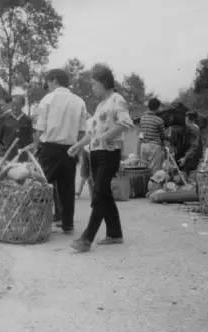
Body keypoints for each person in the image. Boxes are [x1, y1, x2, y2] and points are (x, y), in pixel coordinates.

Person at [68, 64, 134, 252]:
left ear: (104, 83)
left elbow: (125, 123)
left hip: (109, 154)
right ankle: (115, 234)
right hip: (96, 153)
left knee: (98, 194)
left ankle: (86, 238)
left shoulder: (117, 100)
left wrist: (107, 136)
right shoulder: (99, 106)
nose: (92, 88)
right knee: (104, 194)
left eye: (94, 84)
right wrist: (77, 146)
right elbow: (91, 134)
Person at [34, 68, 88, 234]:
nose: (47, 85)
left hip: (49, 149)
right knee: (67, 187)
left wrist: (36, 146)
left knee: (42, 186)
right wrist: (76, 147)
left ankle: (39, 222)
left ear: (54, 80)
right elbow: (81, 131)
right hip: (70, 149)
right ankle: (67, 224)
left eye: (48, 82)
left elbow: (40, 129)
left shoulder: (47, 99)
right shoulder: (79, 101)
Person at [0, 95, 33, 161]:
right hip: (6, 155)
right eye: (13, 104)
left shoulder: (27, 120)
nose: (15, 107)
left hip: (22, 156)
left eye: (18, 105)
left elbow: (30, 140)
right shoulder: (3, 118)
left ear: (23, 105)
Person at [139, 98, 165, 173]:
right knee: (155, 171)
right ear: (157, 108)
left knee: (143, 169)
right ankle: (153, 184)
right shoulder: (159, 120)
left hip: (143, 146)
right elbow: (163, 136)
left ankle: (144, 184)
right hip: (155, 147)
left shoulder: (142, 118)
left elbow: (141, 134)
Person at [179, 110, 203, 175]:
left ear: (189, 119)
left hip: (192, 156)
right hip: (192, 154)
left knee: (185, 175)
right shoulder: (194, 127)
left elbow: (194, 146)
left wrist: (185, 158)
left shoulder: (193, 128)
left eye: (186, 118)